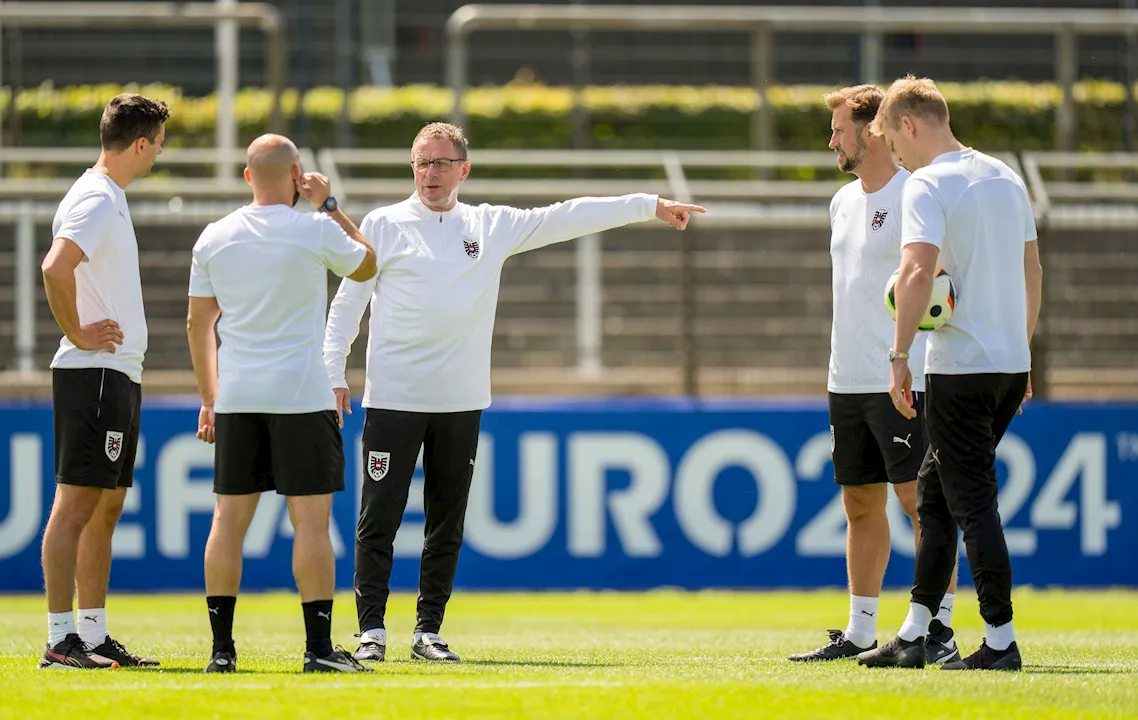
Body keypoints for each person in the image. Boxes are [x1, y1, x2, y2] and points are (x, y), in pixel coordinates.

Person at [323, 122, 706, 663]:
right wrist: (333, 370)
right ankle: (372, 632)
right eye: (421, 163)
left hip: (462, 400)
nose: (430, 174)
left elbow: (565, 216)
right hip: (394, 399)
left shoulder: (489, 224)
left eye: (441, 163)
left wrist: (648, 204)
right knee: (378, 517)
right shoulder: (383, 224)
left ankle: (428, 631)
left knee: (445, 520)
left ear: (464, 168)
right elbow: (348, 302)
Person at [857, 75, 1042, 671]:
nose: (898, 157)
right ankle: (916, 631)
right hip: (1008, 363)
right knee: (935, 499)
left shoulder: (928, 183)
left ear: (908, 125)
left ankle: (1000, 640)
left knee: (971, 503)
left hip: (960, 370)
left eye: (894, 142)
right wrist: (1024, 349)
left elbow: (916, 272)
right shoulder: (1005, 175)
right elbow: (1031, 269)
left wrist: (898, 355)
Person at [186, 134, 378, 674]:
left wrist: (210, 398)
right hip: (302, 394)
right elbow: (366, 265)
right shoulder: (314, 227)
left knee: (227, 521)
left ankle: (222, 652)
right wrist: (331, 206)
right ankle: (319, 650)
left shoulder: (214, 236)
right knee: (312, 526)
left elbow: (199, 322)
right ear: (297, 174)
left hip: (238, 395)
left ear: (247, 176)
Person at [788, 85, 959, 665]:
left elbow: (941, 280)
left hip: (902, 377)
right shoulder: (840, 201)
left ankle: (938, 631)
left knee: (919, 502)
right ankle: (861, 631)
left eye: (839, 128)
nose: (831, 139)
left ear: (871, 132)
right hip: (847, 378)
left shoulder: (918, 192)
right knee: (860, 503)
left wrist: (908, 356)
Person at [38, 93, 169, 670]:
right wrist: (79, 332)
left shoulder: (105, 195)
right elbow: (54, 265)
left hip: (116, 373)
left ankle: (91, 633)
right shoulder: (95, 196)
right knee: (76, 504)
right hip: (93, 372)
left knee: (106, 506)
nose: (159, 154)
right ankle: (60, 638)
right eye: (158, 144)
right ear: (140, 144)